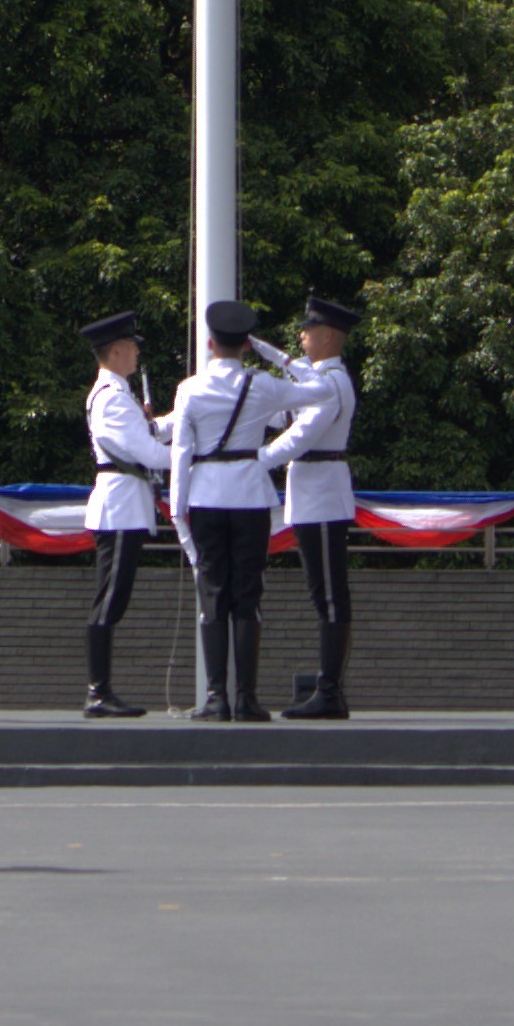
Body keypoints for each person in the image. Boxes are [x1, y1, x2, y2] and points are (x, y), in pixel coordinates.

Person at [166, 299, 285, 724]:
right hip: (251, 497)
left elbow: (181, 454)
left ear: (211, 343)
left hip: (206, 497)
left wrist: (177, 511)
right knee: (248, 597)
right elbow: (320, 390)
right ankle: (248, 699)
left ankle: (216, 698)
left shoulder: (190, 390)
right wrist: (278, 355)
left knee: (212, 596)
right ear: (247, 345)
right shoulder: (264, 385)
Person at [268, 291, 365, 718]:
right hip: (313, 493)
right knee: (323, 592)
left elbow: (299, 436)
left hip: (323, 493)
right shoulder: (320, 382)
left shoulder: (331, 384)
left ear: (326, 336)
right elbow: (283, 417)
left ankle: (330, 691)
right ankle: (329, 689)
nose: (302, 337)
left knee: (328, 595)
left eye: (308, 331)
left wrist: (254, 462)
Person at [72, 312, 161, 718]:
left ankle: (100, 690)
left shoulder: (116, 394)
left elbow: (149, 435)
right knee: (110, 600)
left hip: (125, 504)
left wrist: (183, 422)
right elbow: (148, 452)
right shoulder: (111, 397)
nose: (137, 351)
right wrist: (201, 454)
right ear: (117, 350)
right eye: (133, 345)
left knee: (112, 598)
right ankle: (98, 692)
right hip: (121, 506)